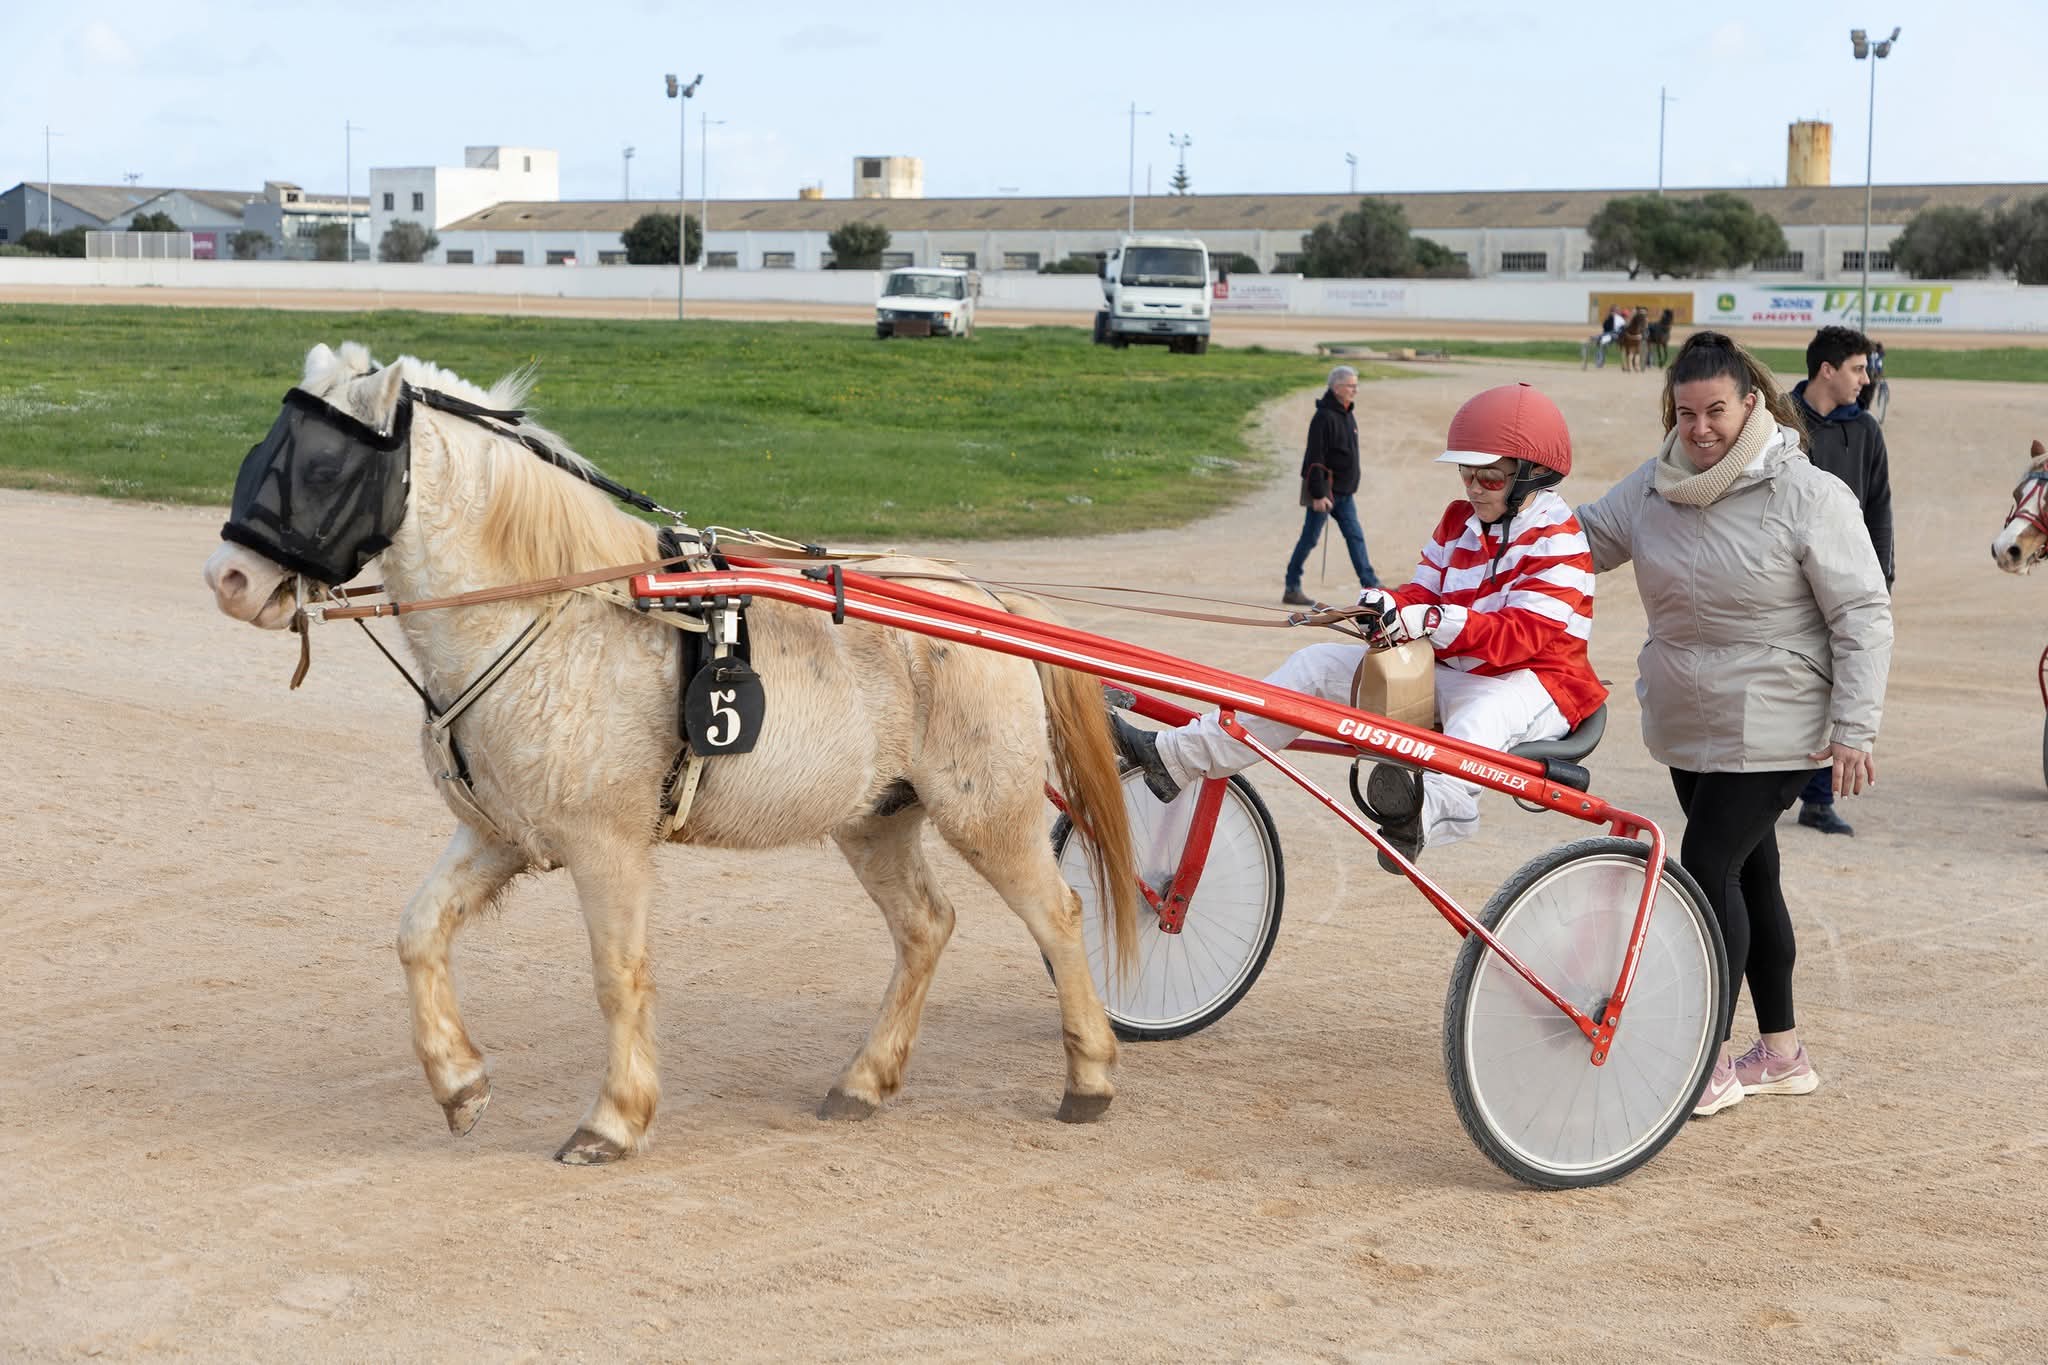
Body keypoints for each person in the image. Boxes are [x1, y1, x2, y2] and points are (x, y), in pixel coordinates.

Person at [1574, 331, 1892, 1118]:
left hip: (1778, 714)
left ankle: (1708, 1059)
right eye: (1686, 414)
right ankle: (1782, 1054)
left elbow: (1862, 612)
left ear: (1751, 402)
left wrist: (1855, 727)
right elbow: (1582, 541)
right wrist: (1513, 519)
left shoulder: (1807, 492)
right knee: (1753, 873)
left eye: (1716, 410)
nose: (1701, 428)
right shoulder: (1654, 485)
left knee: (1709, 862)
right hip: (1690, 714)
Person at [1121, 383, 1605, 873]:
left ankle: (1425, 815)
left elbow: (1521, 637)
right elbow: (1424, 590)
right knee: (1314, 664)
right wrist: (1387, 605)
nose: (1473, 487)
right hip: (1456, 672)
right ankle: (1176, 757)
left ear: (1531, 476)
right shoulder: (1459, 520)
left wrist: (1430, 621)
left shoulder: (1559, 540)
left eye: (1490, 477)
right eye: (1466, 473)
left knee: (1483, 714)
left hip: (1536, 684)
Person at [1788, 324, 1896, 837]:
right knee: (1785, 684)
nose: (1865, 379)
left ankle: (1816, 799)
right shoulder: (1780, 421)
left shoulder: (1867, 430)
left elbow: (1879, 506)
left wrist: (1881, 577)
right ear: (1826, 370)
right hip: (1785, 581)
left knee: (1836, 687)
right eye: (1857, 369)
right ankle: (1766, 787)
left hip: (1844, 582)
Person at [1282, 366, 1379, 606]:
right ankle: (1292, 587)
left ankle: (1372, 587)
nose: (1355, 390)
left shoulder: (1347, 413)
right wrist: (1318, 494)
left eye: (1356, 385)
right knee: (1309, 539)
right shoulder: (1324, 417)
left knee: (1355, 537)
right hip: (1326, 493)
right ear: (1337, 388)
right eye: (1351, 386)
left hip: (1345, 493)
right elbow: (1314, 458)